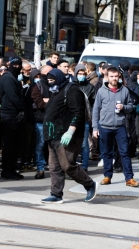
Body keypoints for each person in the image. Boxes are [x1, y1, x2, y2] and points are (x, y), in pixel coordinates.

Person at [41, 69, 97, 203]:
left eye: (52, 80)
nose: (50, 84)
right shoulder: (56, 91)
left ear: (59, 78)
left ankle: (89, 184)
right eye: (48, 81)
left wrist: (70, 131)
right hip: (52, 135)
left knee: (67, 165)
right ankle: (56, 194)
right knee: (54, 167)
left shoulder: (72, 90)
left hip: (66, 136)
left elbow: (77, 112)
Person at [92, 66, 139, 187]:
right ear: (107, 77)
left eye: (116, 76)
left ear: (119, 77)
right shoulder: (101, 91)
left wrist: (124, 107)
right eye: (111, 76)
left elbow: (130, 107)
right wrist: (95, 128)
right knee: (107, 153)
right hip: (105, 126)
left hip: (120, 126)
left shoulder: (124, 90)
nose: (114, 79)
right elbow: (96, 110)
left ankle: (129, 178)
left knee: (125, 152)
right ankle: (107, 176)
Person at [0, 57, 25, 180]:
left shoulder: (10, 78)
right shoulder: (8, 79)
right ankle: (7, 171)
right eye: (15, 65)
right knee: (10, 145)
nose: (17, 67)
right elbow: (13, 97)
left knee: (12, 145)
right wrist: (22, 108)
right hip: (9, 115)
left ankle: (10, 170)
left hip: (10, 114)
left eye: (19, 65)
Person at [31, 65, 52, 179]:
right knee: (40, 144)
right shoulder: (37, 87)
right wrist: (51, 101)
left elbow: (60, 101)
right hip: (41, 120)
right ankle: (40, 168)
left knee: (54, 145)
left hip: (53, 120)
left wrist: (48, 100)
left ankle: (55, 168)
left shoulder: (55, 86)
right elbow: (40, 104)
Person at [74, 64, 96, 171]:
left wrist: (91, 115)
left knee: (84, 143)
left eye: (83, 74)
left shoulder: (90, 87)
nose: (81, 76)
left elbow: (94, 103)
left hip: (84, 118)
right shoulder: (72, 85)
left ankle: (85, 165)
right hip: (73, 118)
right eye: (79, 74)